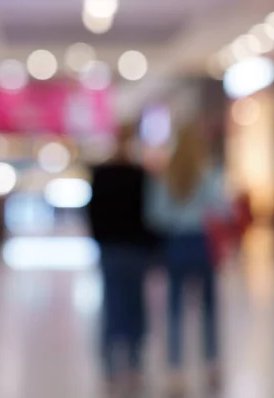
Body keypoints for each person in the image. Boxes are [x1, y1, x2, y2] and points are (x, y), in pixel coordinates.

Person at [145, 123, 227, 395]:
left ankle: (175, 369)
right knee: (208, 308)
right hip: (201, 242)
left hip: (177, 244)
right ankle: (211, 363)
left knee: (175, 309)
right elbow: (222, 208)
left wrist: (178, 217)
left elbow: (156, 216)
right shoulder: (208, 173)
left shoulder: (166, 177)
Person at [87, 124, 156, 394]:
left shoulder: (108, 175)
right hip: (130, 249)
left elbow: (93, 213)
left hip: (117, 248)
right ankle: (130, 364)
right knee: (131, 306)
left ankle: (114, 366)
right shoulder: (137, 175)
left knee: (115, 305)